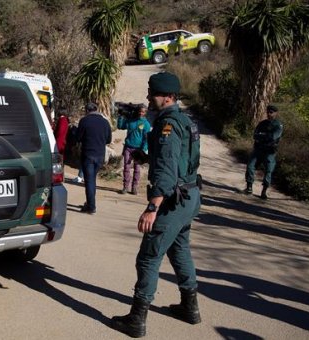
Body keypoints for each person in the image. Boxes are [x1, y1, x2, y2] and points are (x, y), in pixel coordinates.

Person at [112, 72, 202, 338]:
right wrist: (147, 157)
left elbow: (166, 167)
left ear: (169, 97)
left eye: (154, 94)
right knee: (180, 250)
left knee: (148, 257)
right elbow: (178, 160)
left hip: (172, 202)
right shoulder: (184, 121)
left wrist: (153, 207)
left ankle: (136, 320)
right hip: (189, 196)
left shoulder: (168, 125)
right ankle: (190, 308)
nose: (149, 98)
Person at [76, 102, 112, 214]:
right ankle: (90, 203)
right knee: (92, 180)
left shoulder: (84, 121)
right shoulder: (105, 123)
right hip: (100, 155)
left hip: (88, 155)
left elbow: (78, 137)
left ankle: (91, 206)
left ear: (87, 110)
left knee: (89, 181)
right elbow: (108, 140)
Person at [244, 105, 284, 199]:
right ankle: (249, 187)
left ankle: (264, 191)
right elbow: (255, 135)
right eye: (268, 112)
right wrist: (264, 136)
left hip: (269, 152)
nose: (269, 114)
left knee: (268, 171)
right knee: (250, 166)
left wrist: (263, 136)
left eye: (271, 112)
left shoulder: (278, 125)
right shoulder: (262, 123)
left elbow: (273, 137)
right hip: (258, 150)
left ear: (276, 113)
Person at [117, 103, 151, 195]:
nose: (141, 113)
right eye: (140, 111)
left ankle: (134, 187)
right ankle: (125, 187)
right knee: (126, 168)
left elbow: (146, 138)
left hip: (138, 149)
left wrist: (143, 149)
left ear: (145, 113)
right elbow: (120, 126)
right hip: (128, 147)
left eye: (143, 112)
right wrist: (120, 116)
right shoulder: (131, 120)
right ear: (137, 111)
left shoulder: (146, 124)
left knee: (137, 169)